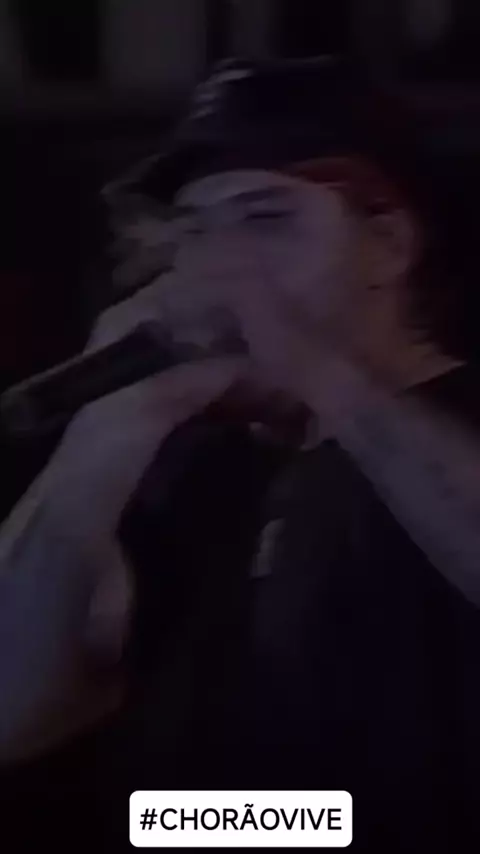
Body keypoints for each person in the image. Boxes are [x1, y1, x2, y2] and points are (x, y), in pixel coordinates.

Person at [1, 158, 480, 852]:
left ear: (388, 245)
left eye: (265, 219)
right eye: (193, 234)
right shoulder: (196, 467)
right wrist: (105, 430)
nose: (216, 267)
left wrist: (317, 368)